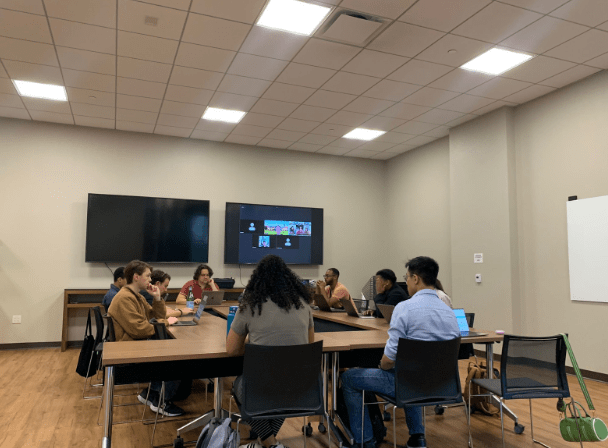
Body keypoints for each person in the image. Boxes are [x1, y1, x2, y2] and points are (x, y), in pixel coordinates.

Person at [341, 256, 460, 448]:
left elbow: (388, 360)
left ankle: (365, 441)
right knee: (412, 371)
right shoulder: (449, 311)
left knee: (350, 378)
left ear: (415, 279)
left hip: (410, 385)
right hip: (443, 385)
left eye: (406, 278)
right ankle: (417, 437)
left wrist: (381, 365)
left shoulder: (404, 308)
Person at [227, 255, 314, 448]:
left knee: (239, 387)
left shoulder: (250, 305)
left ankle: (271, 444)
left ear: (257, 279)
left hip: (262, 386)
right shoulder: (304, 305)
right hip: (300, 387)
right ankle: (266, 443)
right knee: (282, 394)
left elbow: (232, 349)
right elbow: (309, 344)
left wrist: (254, 340)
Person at [107, 260, 184, 417]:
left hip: (134, 345)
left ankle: (150, 394)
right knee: (177, 355)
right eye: (148, 276)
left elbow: (156, 316)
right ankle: (162, 401)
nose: (150, 280)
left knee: (170, 347)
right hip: (129, 351)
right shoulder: (124, 298)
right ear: (136, 277)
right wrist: (165, 323)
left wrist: (157, 298)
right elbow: (139, 330)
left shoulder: (136, 296)